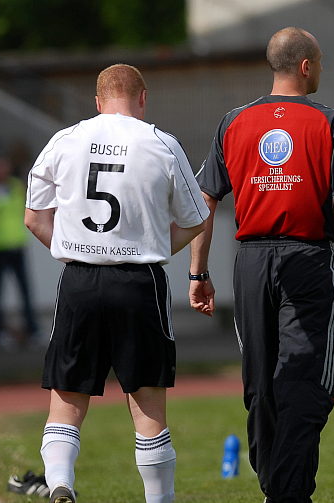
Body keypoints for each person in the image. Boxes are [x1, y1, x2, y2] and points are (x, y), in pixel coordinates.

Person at [188, 27, 334, 503]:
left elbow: (205, 200)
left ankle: (275, 488)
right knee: (308, 380)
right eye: (320, 61)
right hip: (308, 258)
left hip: (250, 262)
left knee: (260, 380)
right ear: (306, 66)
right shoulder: (330, 122)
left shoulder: (233, 121)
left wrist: (198, 272)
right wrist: (328, 208)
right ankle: (288, 493)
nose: (321, 69)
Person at [24, 63, 209, 503]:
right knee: (148, 408)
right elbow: (196, 219)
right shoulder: (161, 142)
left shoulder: (65, 139)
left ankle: (61, 481)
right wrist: (153, 245)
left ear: (97, 101)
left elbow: (33, 217)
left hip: (79, 279)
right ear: (143, 98)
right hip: (139, 281)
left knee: (66, 400)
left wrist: (73, 248)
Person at [0, 152, 39, 349]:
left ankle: (32, 329)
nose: (2, 170)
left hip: (17, 245)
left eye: (4, 166)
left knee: (25, 290)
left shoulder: (16, 187)